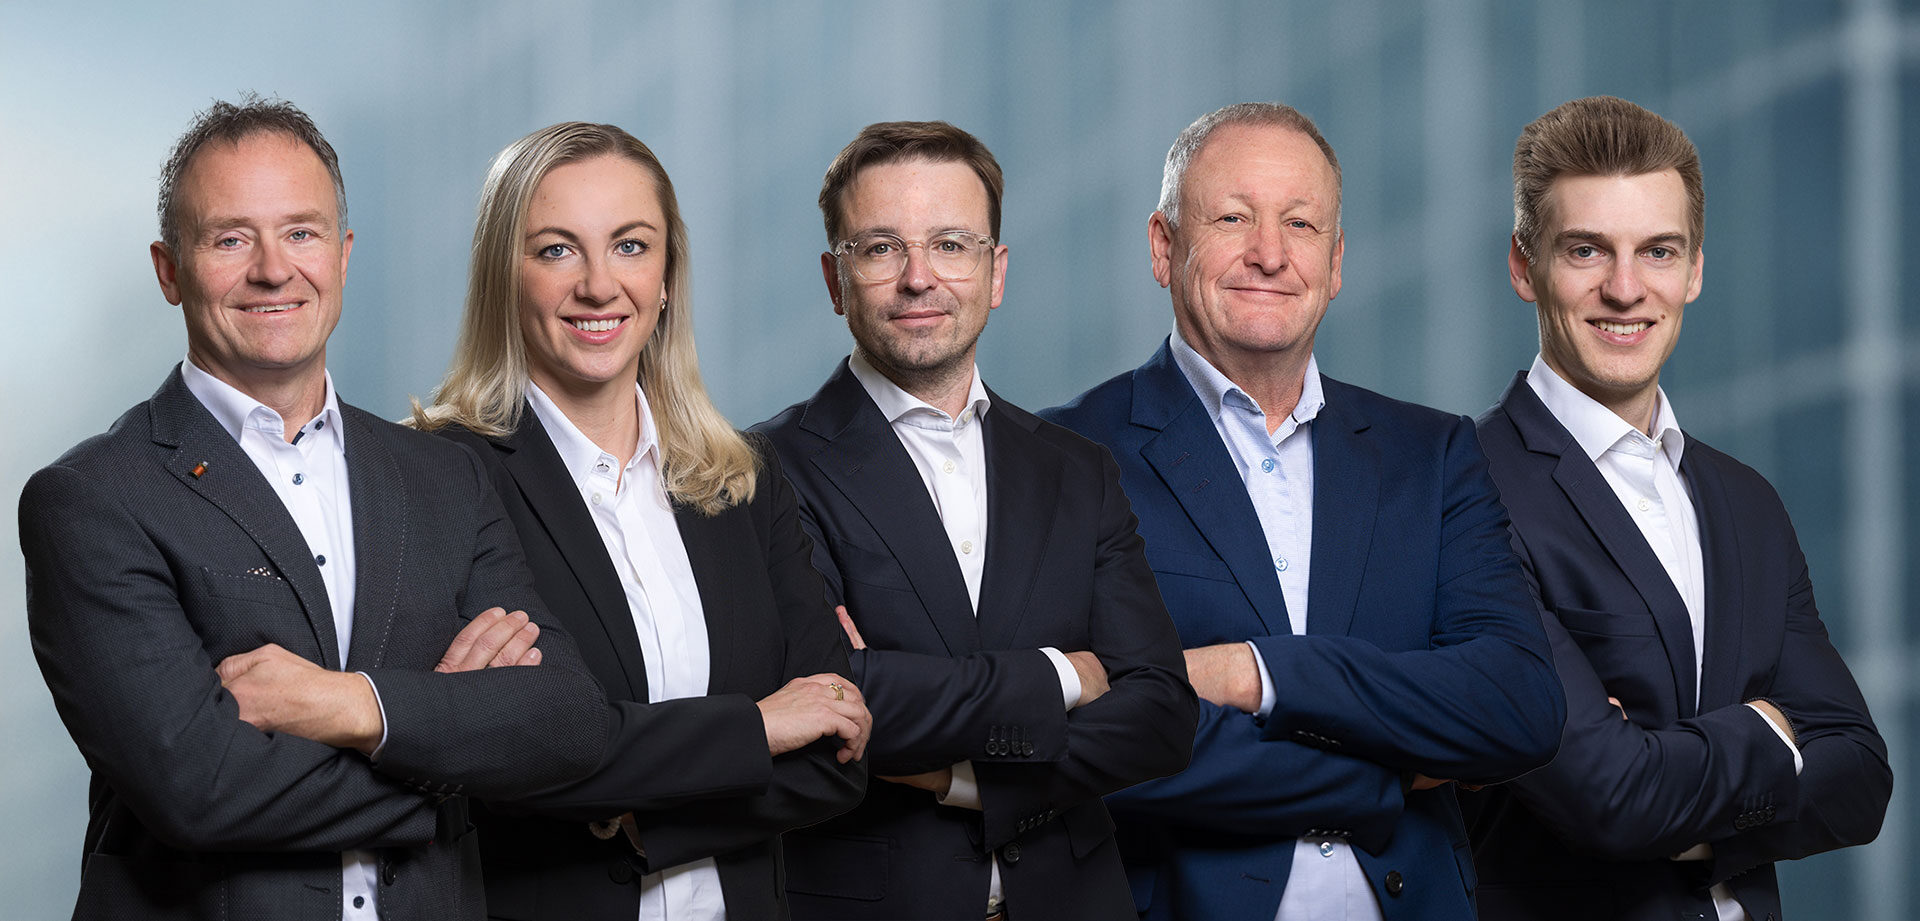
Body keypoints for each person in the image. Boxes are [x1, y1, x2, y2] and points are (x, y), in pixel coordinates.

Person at [18, 96, 609, 921]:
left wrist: (355, 705)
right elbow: (201, 788)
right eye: (231, 239)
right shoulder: (94, 498)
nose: (274, 269)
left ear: (343, 253)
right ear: (169, 270)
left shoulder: (445, 478)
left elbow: (570, 723)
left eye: (301, 232)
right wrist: (453, 764)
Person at [1041, 102, 1566, 920]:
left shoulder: (1432, 455)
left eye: (1300, 223)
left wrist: (1258, 673)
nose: (1270, 253)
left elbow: (1519, 702)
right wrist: (1390, 774)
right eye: (1232, 218)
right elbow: (1085, 738)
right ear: (1164, 246)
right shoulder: (1064, 458)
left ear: (1337, 259)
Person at [413, 121, 870, 921]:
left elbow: (834, 755)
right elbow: (502, 757)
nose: (599, 285)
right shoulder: (439, 477)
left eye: (630, 246)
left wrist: (638, 815)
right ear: (504, 277)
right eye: (557, 250)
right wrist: (757, 727)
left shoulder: (744, 479)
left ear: (666, 278)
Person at [751, 120, 1197, 920]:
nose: (919, 277)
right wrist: (1065, 675)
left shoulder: (1077, 468)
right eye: (881, 248)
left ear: (995, 272)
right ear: (835, 280)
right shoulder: (764, 469)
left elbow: (1162, 711)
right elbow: (832, 698)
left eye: (951, 244)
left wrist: (964, 780)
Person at [1463, 95, 1891, 921]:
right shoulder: (1466, 489)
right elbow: (1611, 795)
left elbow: (1861, 777)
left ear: (1694, 270)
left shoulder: (1747, 501)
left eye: (1658, 251)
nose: (1626, 289)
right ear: (1523, 265)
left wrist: (1669, 780)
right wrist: (1769, 733)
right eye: (1586, 250)